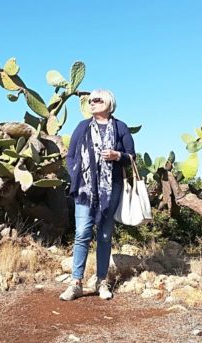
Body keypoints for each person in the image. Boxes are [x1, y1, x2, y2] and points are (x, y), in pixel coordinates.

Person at [60, 89, 135, 301]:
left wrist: (117, 155)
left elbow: (131, 157)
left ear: (109, 102)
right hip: (84, 190)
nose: (92, 103)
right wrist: (76, 175)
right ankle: (76, 283)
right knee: (82, 233)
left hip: (111, 189)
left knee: (104, 235)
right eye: (91, 100)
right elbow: (71, 155)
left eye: (97, 100)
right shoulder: (83, 127)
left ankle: (102, 281)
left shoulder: (120, 127)